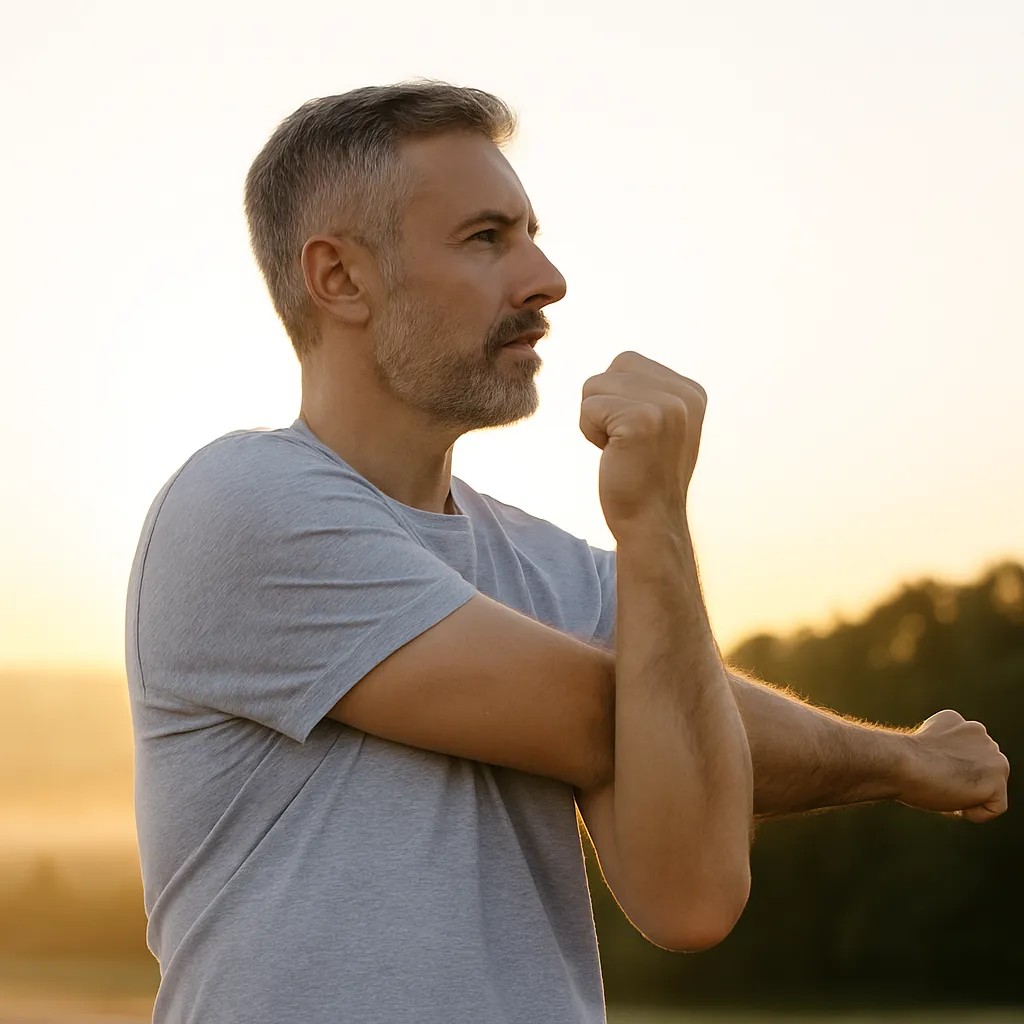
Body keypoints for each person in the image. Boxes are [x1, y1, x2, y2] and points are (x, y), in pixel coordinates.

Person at [125, 81, 1009, 1024]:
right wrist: (657, 518)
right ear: (340, 278)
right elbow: (632, 722)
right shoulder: (240, 508)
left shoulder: (559, 571)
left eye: (531, 234)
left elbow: (691, 893)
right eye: (487, 238)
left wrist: (658, 544)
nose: (545, 278)